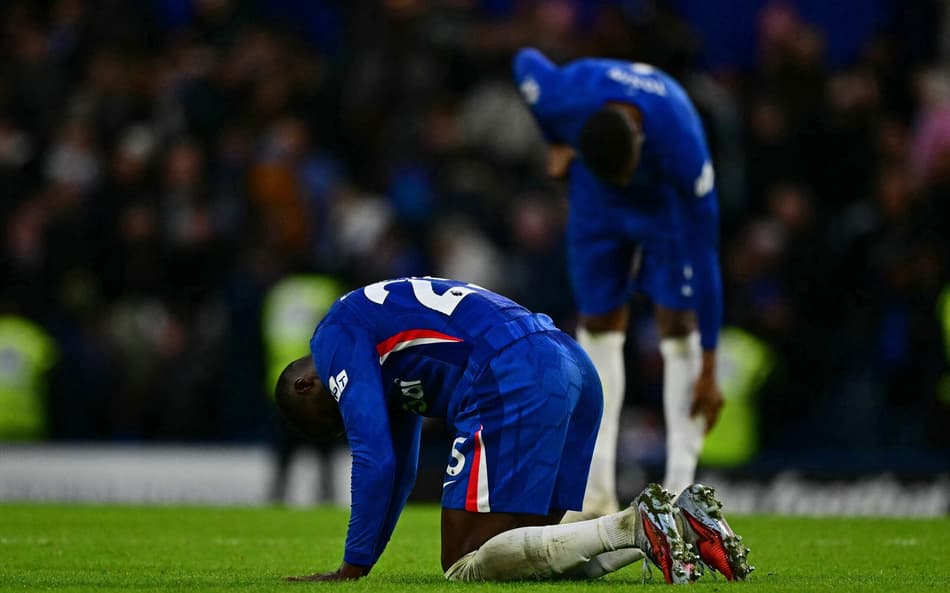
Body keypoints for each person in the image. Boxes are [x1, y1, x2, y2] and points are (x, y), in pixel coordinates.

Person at [274, 276, 751, 582]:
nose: (348, 420)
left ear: (304, 385)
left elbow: (374, 457)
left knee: (463, 563)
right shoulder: (376, 344)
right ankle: (679, 522)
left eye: (335, 419)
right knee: (528, 559)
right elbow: (400, 466)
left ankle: (635, 525)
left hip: (509, 373)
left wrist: (349, 569)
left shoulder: (334, 336)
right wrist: (361, 564)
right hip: (569, 365)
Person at [512, 49, 725, 515]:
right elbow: (524, 60)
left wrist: (710, 363)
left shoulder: (682, 143)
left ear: (639, 140)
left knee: (677, 321)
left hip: (661, 204)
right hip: (596, 199)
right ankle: (595, 492)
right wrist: (554, 140)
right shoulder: (563, 98)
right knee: (598, 322)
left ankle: (680, 491)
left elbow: (705, 258)